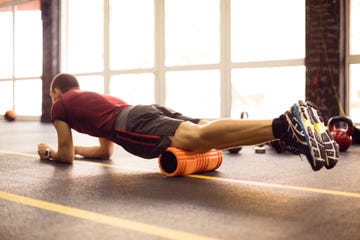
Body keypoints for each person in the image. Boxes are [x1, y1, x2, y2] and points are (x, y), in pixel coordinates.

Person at [38, 73, 339, 171]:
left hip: (129, 124)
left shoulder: (60, 105)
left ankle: (284, 125)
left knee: (197, 138)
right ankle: (289, 131)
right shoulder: (95, 99)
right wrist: (80, 151)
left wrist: (51, 153)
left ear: (56, 92)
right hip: (140, 109)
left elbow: (64, 155)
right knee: (204, 130)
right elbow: (105, 152)